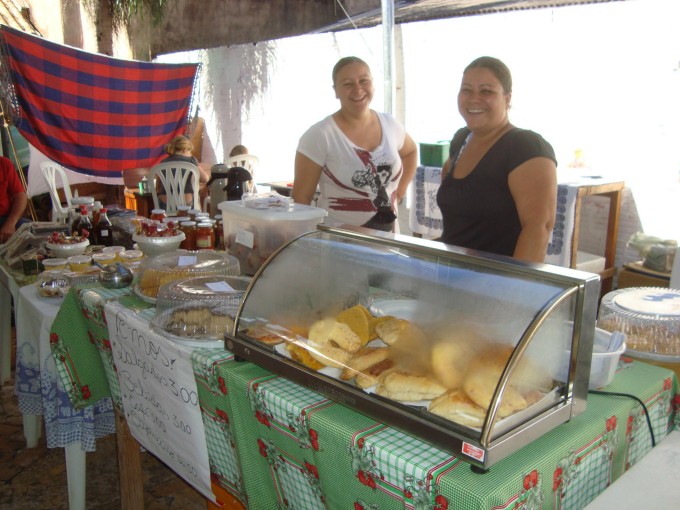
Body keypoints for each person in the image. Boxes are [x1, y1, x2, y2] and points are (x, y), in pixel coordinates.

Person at [436, 56, 557, 263]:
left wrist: (510, 289)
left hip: (494, 283)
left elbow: (538, 229)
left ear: (507, 98)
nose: (474, 98)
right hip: (451, 277)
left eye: (486, 91)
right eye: (467, 90)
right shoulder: (460, 139)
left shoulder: (525, 146)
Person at [293, 56, 418, 232]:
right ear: (335, 91)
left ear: (373, 84)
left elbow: (411, 151)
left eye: (363, 81)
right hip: (339, 248)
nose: (358, 89)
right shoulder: (320, 135)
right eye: (347, 84)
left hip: (390, 245)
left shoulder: (390, 124)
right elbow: (301, 198)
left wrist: (401, 190)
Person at [159, 135, 210, 207]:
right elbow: (205, 179)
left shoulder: (163, 162)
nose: (190, 154)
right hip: (186, 203)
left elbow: (158, 185)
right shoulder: (191, 160)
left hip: (165, 203)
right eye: (190, 151)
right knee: (196, 196)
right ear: (185, 150)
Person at [0, 155, 29, 243]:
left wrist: (10, 224)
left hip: (5, 219)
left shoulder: (4, 163)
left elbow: (20, 195)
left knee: (31, 230)